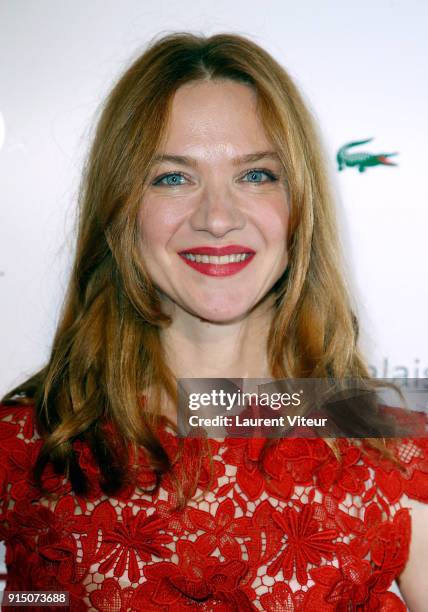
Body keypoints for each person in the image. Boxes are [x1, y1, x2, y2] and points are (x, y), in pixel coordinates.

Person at [0, 31, 427, 611]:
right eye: (173, 177)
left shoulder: (395, 456)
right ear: (121, 208)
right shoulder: (23, 448)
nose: (217, 218)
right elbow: (27, 601)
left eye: (256, 175)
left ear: (300, 206)